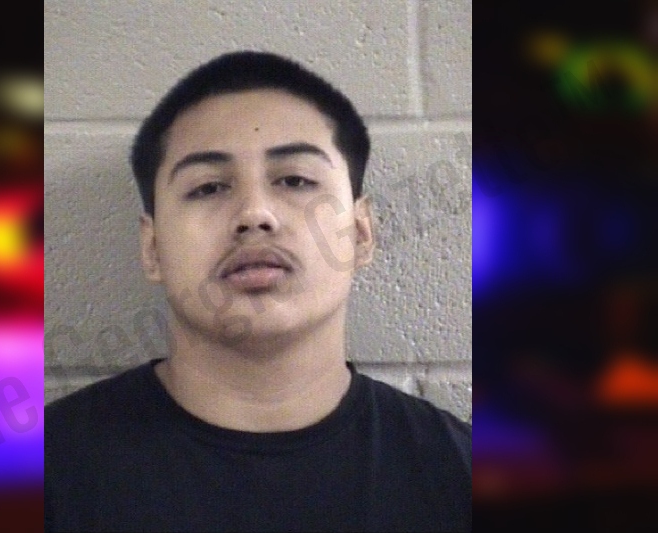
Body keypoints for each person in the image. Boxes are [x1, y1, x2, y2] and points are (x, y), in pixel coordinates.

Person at [45, 51, 471, 532]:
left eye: (295, 180)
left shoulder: (460, 476)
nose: (254, 214)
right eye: (208, 188)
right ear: (153, 248)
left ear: (361, 233)